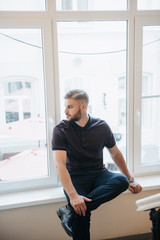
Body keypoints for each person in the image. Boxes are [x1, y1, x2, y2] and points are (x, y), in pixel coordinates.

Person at [52, 89, 142, 240]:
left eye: (70, 106)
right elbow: (60, 165)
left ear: (83, 107)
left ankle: (68, 211)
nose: (65, 111)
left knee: (121, 181)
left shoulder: (102, 126)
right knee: (82, 212)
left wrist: (130, 179)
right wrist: (74, 196)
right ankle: (74, 209)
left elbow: (115, 154)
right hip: (75, 177)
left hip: (99, 174)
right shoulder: (61, 130)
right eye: (66, 106)